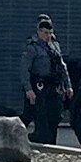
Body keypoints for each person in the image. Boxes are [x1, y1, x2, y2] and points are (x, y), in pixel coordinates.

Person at [22, 15, 73, 145]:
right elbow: (24, 69)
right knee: (37, 115)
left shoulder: (55, 46)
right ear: (39, 31)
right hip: (38, 85)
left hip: (53, 85)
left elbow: (62, 66)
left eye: (50, 33)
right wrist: (28, 89)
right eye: (45, 33)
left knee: (55, 114)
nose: (48, 35)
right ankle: (29, 137)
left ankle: (50, 142)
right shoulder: (32, 47)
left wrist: (68, 85)